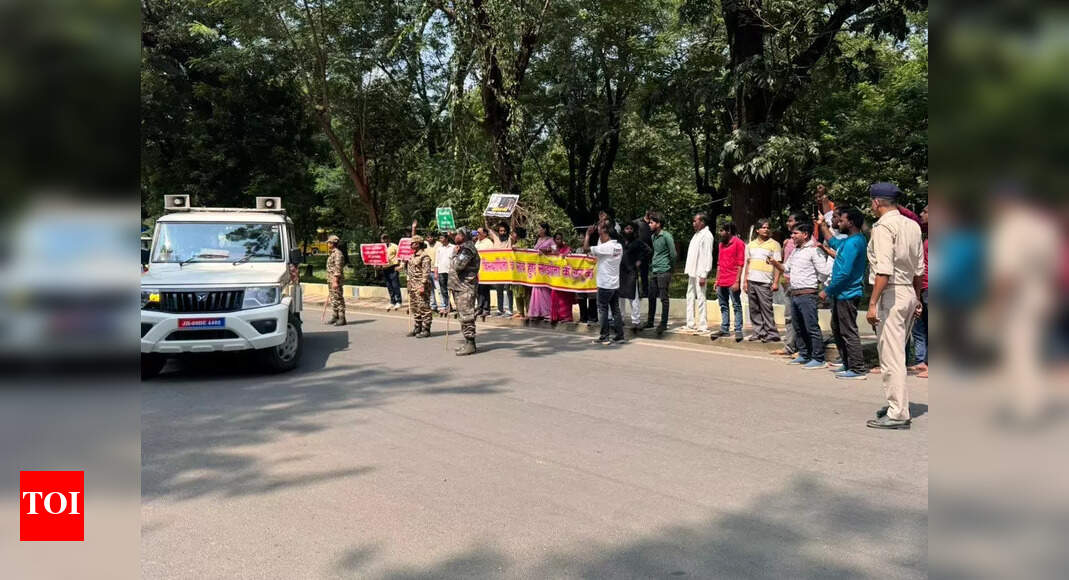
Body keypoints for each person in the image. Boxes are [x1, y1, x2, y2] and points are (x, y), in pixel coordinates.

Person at [865, 183, 925, 429]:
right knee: (897, 352)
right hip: (908, 292)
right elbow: (920, 268)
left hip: (890, 293)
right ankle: (897, 404)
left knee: (891, 357)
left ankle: (898, 412)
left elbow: (883, 270)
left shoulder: (883, 227)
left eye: (871, 202)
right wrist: (917, 297)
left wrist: (872, 303)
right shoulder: (912, 225)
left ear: (877, 202)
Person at [773, 222, 831, 368]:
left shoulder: (814, 250)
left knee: (811, 326)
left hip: (807, 294)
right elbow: (786, 268)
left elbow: (824, 271)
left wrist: (818, 285)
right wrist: (775, 263)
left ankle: (818, 358)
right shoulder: (796, 251)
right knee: (797, 326)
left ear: (805, 234)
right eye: (792, 233)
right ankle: (804, 354)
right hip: (795, 293)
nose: (792, 236)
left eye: (795, 233)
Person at [819, 207, 868, 379]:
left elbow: (845, 273)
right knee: (838, 329)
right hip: (841, 293)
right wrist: (822, 225)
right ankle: (848, 364)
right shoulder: (848, 241)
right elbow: (834, 243)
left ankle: (857, 368)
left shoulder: (855, 242)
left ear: (851, 222)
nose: (838, 222)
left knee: (848, 331)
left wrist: (828, 290)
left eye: (841, 220)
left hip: (847, 293)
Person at [584, 222, 626, 344]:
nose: (599, 236)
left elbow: (586, 249)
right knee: (615, 310)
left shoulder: (605, 247)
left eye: (600, 233)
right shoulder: (619, 247)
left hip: (604, 284)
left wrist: (587, 235)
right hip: (615, 284)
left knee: (602, 309)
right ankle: (619, 335)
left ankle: (604, 336)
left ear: (607, 234)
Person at [771, 213, 806, 357]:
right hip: (787, 283)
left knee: (800, 317)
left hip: (798, 284)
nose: (787, 223)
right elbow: (785, 263)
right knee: (789, 316)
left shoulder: (806, 242)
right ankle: (790, 346)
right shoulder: (789, 242)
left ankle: (802, 348)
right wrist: (779, 279)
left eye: (790, 220)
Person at [741, 218, 781, 342]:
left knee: (766, 308)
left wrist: (775, 282)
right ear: (757, 230)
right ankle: (758, 332)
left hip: (765, 281)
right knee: (754, 309)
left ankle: (772, 333)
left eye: (767, 227)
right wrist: (745, 281)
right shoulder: (751, 245)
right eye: (763, 227)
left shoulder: (774, 244)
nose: (766, 229)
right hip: (752, 280)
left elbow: (778, 265)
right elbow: (748, 263)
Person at [449, 227, 481, 355]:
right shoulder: (463, 247)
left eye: (458, 234)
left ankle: (470, 344)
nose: (455, 236)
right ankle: (467, 342)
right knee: (463, 316)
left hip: (465, 287)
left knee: (467, 315)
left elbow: (458, 265)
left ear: (464, 236)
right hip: (459, 286)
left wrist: (454, 254)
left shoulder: (467, 249)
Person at [712, 222, 746, 341]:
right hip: (722, 280)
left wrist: (737, 281)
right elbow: (719, 264)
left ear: (729, 231)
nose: (720, 233)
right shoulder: (721, 244)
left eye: (722, 230)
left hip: (732, 280)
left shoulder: (739, 243)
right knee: (723, 305)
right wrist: (717, 279)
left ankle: (738, 329)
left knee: (736, 305)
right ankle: (724, 329)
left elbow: (741, 264)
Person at [644, 212, 676, 336]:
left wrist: (671, 269)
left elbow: (673, 254)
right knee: (651, 296)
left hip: (664, 270)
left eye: (652, 222)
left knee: (664, 298)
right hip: (654, 270)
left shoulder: (666, 236)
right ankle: (650, 321)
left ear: (658, 224)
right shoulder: (653, 237)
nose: (650, 225)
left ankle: (663, 323)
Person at [683, 213, 714, 333]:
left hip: (700, 272)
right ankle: (690, 323)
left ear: (702, 222)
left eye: (695, 221)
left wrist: (704, 274)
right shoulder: (696, 235)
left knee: (701, 297)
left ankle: (703, 324)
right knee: (690, 296)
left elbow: (707, 256)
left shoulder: (706, 235)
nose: (693, 223)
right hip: (692, 271)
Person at [908, 205, 929, 379]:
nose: (921, 214)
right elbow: (913, 218)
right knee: (919, 327)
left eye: (926, 211)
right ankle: (921, 360)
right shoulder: (927, 236)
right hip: (923, 286)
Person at [619, 223, 650, 330]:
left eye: (631, 229)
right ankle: (620, 319)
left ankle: (636, 321)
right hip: (621, 273)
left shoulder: (637, 242)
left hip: (631, 272)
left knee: (634, 297)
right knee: (620, 298)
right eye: (626, 228)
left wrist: (639, 261)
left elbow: (648, 251)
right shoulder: (620, 242)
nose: (628, 230)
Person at [405, 235, 434, 338]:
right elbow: (410, 271)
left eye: (413, 243)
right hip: (412, 285)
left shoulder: (424, 256)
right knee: (415, 307)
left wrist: (423, 285)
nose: (411, 245)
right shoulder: (413, 256)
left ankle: (426, 329)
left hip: (421, 285)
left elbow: (426, 272)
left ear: (418, 244)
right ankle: (418, 327)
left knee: (424, 307)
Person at [527, 223, 556, 321]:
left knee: (544, 290)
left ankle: (547, 312)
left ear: (545, 229)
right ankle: (536, 312)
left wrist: (546, 250)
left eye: (540, 228)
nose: (538, 230)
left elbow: (555, 252)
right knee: (536, 289)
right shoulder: (538, 240)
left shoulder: (551, 240)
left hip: (546, 269)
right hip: (537, 269)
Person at [485, 220, 514, 317]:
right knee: (499, 290)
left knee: (509, 289)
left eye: (504, 231)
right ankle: (500, 309)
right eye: (500, 231)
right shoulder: (496, 238)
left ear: (507, 231)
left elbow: (513, 228)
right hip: (497, 269)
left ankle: (510, 309)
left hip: (508, 269)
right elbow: (488, 228)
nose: (502, 232)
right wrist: (486, 217)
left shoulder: (510, 239)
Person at [550, 233, 575, 323]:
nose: (559, 241)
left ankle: (567, 317)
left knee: (565, 298)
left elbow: (570, 258)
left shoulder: (567, 248)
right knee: (554, 296)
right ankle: (555, 317)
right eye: (557, 239)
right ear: (554, 240)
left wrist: (562, 255)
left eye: (560, 239)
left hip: (565, 278)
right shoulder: (552, 248)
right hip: (555, 277)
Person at [577, 226, 600, 325]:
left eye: (582, 237)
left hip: (591, 278)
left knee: (592, 298)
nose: (580, 239)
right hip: (580, 278)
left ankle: (593, 318)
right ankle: (583, 318)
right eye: (579, 238)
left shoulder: (593, 249)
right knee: (581, 297)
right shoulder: (577, 250)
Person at [325, 234, 347, 326]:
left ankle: (342, 318)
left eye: (329, 242)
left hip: (335, 280)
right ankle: (335, 316)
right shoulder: (332, 253)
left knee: (338, 298)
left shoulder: (338, 254)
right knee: (333, 298)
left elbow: (338, 268)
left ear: (333, 243)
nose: (328, 244)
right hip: (331, 279)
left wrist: (335, 281)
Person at [632, 210, 654, 298]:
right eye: (649, 212)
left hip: (649, 252)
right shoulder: (637, 222)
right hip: (637, 252)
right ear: (646, 212)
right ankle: (635, 291)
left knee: (645, 274)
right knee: (635, 273)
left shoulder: (653, 223)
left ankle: (646, 292)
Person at [379, 233, 403, 310]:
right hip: (385, 268)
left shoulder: (394, 246)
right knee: (389, 286)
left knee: (395, 285)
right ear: (381, 240)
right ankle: (392, 301)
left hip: (393, 268)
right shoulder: (380, 248)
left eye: (386, 238)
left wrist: (400, 266)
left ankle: (399, 301)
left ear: (389, 239)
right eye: (383, 239)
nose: (385, 240)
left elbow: (401, 256)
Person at [474, 227, 494, 318]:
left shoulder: (488, 243)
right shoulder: (477, 242)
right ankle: (480, 308)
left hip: (485, 269)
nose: (477, 234)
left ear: (485, 234)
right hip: (477, 269)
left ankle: (486, 309)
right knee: (478, 290)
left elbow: (491, 256)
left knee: (485, 289)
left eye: (479, 232)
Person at [510, 229, 529, 319]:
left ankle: (528, 311)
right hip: (515, 271)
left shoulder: (523, 242)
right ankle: (520, 312)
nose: (512, 234)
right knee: (516, 292)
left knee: (525, 292)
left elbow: (526, 251)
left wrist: (517, 249)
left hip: (523, 272)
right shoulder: (515, 242)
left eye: (513, 233)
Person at [434, 232, 453, 317]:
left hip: (451, 271)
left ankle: (457, 306)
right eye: (440, 238)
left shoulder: (453, 247)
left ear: (446, 238)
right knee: (443, 290)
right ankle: (447, 306)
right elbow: (436, 261)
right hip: (441, 271)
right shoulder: (439, 248)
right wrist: (436, 272)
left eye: (442, 238)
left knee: (453, 290)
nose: (440, 240)